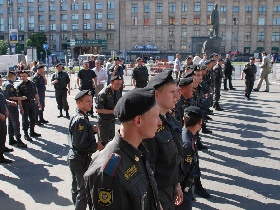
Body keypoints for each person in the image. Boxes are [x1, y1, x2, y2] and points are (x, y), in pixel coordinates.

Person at [84, 87, 162, 210]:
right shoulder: (108, 173)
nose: (160, 122)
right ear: (138, 120)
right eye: (156, 117)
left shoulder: (138, 149)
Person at [144, 71, 184, 210]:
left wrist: (177, 183)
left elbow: (174, 155)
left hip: (171, 186)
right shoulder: (149, 127)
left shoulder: (168, 118)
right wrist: (155, 201)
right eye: (171, 92)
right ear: (156, 94)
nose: (176, 96)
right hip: (159, 193)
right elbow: (148, 170)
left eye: (176, 91)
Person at [68, 90, 104, 210]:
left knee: (76, 188)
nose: (90, 104)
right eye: (87, 101)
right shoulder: (81, 120)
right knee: (83, 191)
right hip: (80, 158)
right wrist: (96, 146)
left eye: (91, 101)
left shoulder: (80, 115)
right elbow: (80, 144)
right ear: (79, 102)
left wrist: (91, 129)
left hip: (75, 157)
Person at [176, 106, 203, 210]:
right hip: (183, 188)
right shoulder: (187, 144)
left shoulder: (185, 134)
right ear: (200, 123)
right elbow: (183, 171)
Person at [2, 72, 27, 148]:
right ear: (12, 76)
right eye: (14, 76)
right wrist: (20, 98)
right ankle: (18, 140)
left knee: (11, 123)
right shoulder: (10, 85)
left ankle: (11, 139)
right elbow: (9, 97)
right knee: (16, 123)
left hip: (7, 106)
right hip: (12, 106)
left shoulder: (4, 84)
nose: (15, 78)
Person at [95, 76, 122, 145]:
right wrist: (113, 111)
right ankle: (102, 155)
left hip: (112, 120)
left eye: (120, 84)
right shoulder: (103, 93)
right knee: (103, 143)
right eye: (117, 84)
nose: (119, 86)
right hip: (103, 121)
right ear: (111, 83)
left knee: (111, 141)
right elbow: (98, 110)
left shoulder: (116, 91)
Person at [17, 70, 42, 141]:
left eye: (24, 76)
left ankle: (32, 131)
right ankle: (26, 134)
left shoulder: (32, 83)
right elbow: (19, 98)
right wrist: (21, 108)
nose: (23, 77)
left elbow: (35, 94)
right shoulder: (19, 86)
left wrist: (39, 103)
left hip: (32, 103)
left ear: (27, 76)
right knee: (25, 119)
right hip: (25, 104)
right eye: (21, 76)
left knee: (33, 118)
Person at [0, 74, 14, 163]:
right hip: (0, 117)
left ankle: (3, 148)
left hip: (3, 116)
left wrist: (6, 109)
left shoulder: (0, 90)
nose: (1, 81)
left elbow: (3, 100)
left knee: (3, 135)